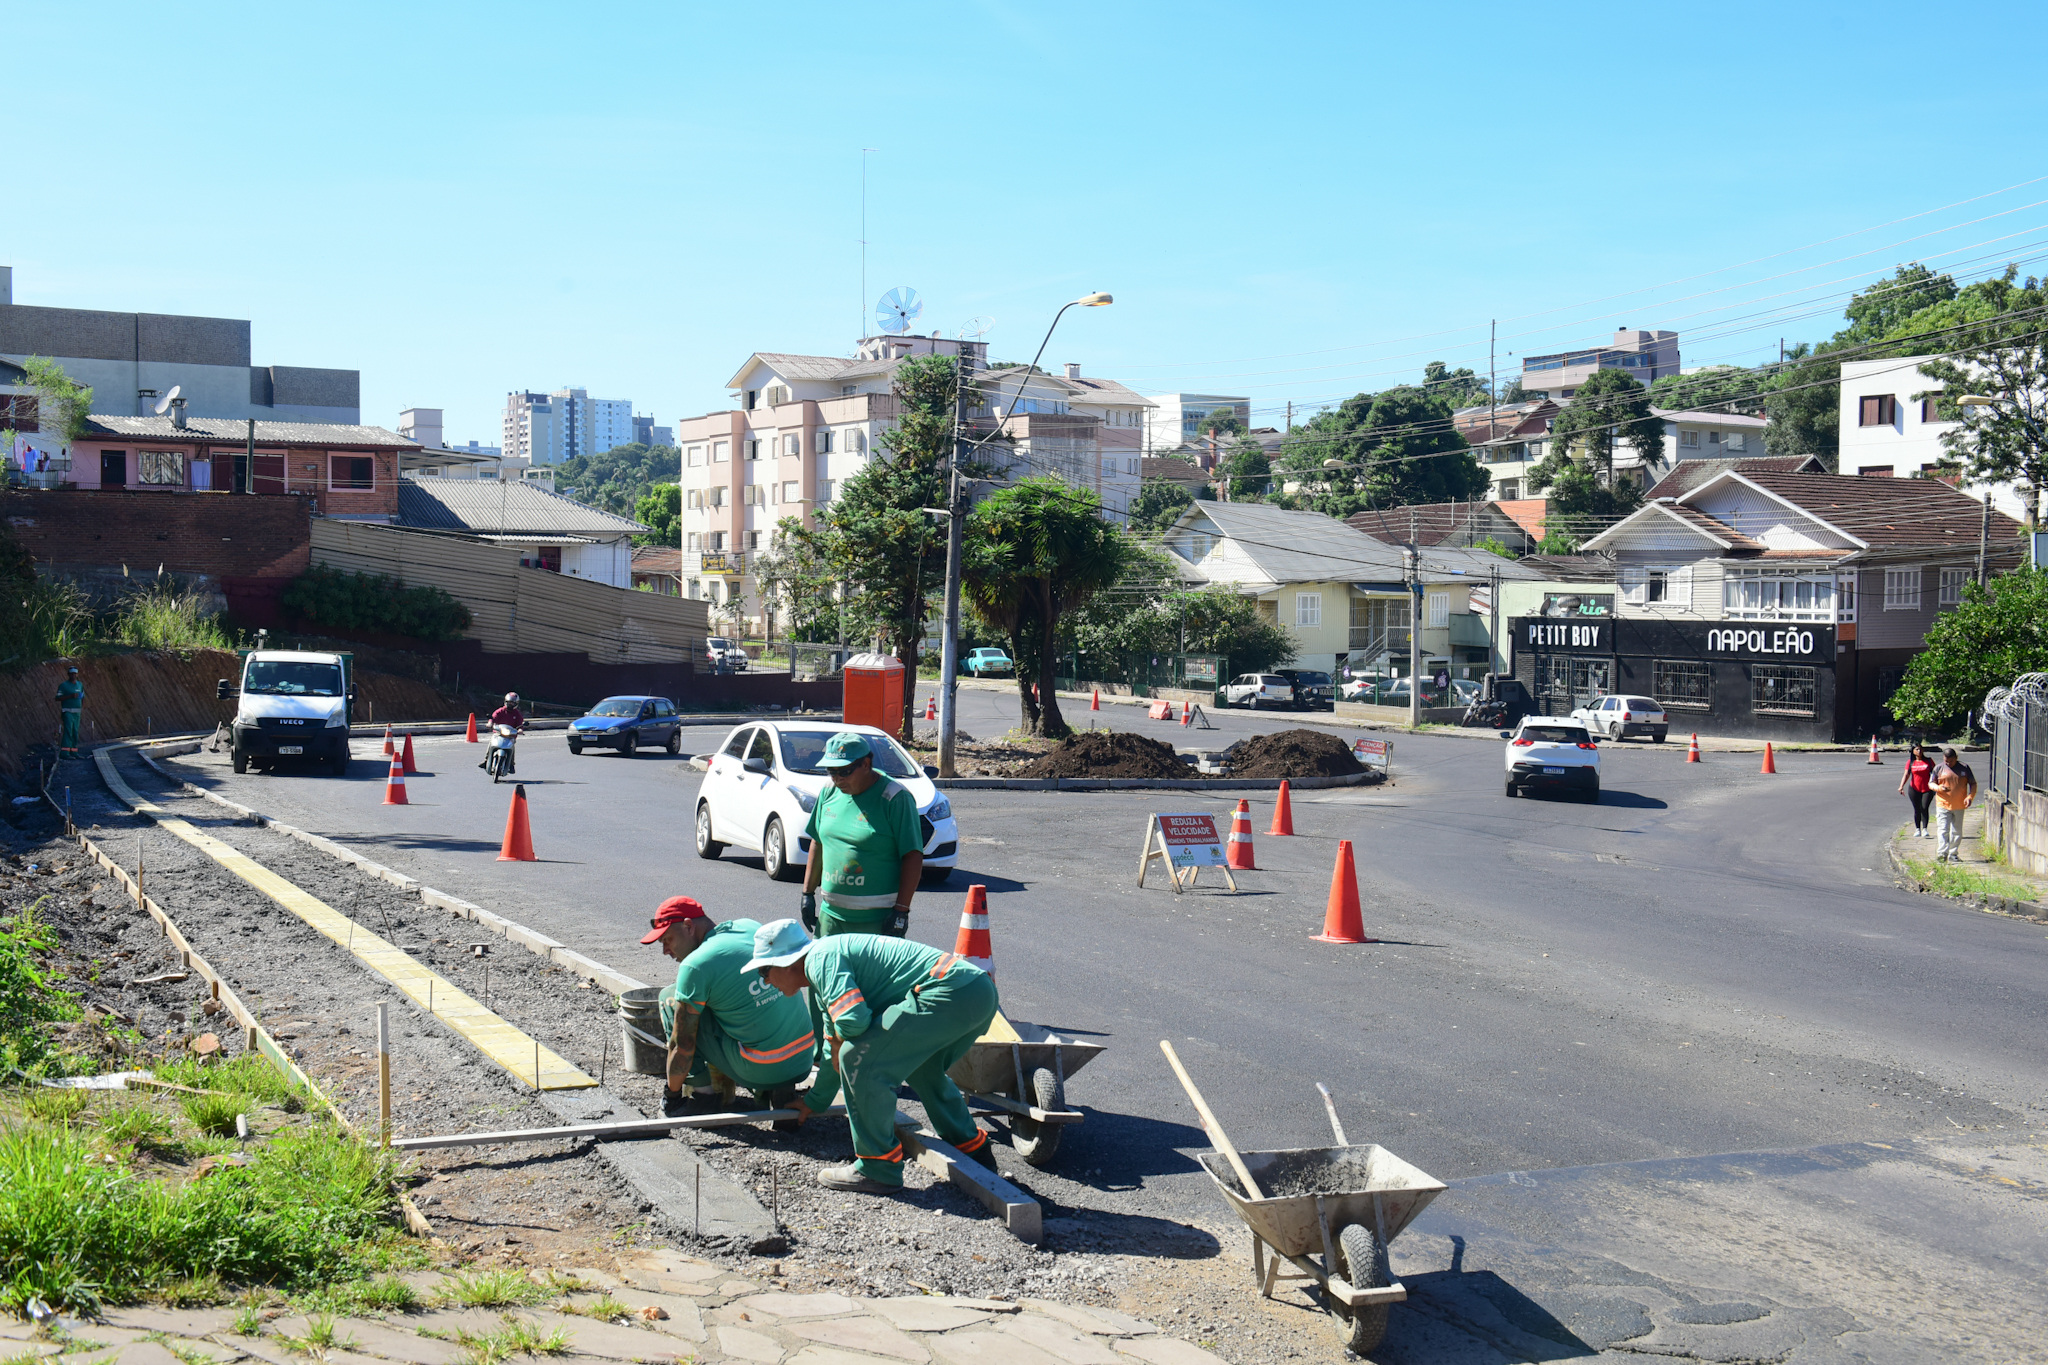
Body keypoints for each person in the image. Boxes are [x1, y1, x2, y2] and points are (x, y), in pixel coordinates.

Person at [745, 919, 997, 1193]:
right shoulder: (821, 971)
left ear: (784, 962)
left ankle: (878, 1168)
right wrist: (814, 1104)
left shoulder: (821, 959)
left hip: (949, 991)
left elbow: (852, 1023)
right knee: (922, 1068)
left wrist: (842, 1044)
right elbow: (833, 1048)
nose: (766, 981)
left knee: (861, 1060)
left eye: (764, 971)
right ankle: (973, 1149)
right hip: (975, 992)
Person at [641, 896, 815, 1121]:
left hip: (763, 1067)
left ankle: (703, 1099)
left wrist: (671, 1096)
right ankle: (772, 1092)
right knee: (737, 1005)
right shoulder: (749, 926)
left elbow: (681, 1045)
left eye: (667, 940)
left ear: (688, 926)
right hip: (802, 1060)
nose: (665, 950)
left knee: (671, 999)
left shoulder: (695, 965)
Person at [798, 732, 923, 938]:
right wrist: (807, 893)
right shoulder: (828, 792)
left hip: (876, 921)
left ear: (866, 764)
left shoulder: (894, 797)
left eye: (844, 771)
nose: (837, 778)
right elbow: (818, 842)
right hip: (831, 917)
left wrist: (901, 911)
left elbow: (913, 856)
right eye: (831, 771)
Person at [1932, 747, 1977, 863]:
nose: (1948, 763)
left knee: (1956, 831)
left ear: (1956, 758)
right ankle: (1942, 854)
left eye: (1950, 761)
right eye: (1946, 761)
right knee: (1943, 829)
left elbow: (1973, 783)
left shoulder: (1964, 768)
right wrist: (1939, 788)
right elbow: (1931, 783)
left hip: (1959, 805)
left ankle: (1953, 853)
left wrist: (1970, 797)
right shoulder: (1939, 768)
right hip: (1943, 804)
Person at [479, 692, 527, 770]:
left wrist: (520, 730)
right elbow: (493, 718)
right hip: (499, 733)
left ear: (516, 704)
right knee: (491, 743)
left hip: (511, 735)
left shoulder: (517, 714)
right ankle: (486, 760)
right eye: (509, 702)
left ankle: (511, 763)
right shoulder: (500, 711)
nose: (510, 704)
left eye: (512, 703)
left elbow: (520, 724)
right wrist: (490, 723)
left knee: (512, 747)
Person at [1898, 743, 1935, 840]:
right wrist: (1901, 786)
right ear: (1913, 751)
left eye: (1920, 749)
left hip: (1927, 789)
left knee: (1924, 807)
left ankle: (1925, 829)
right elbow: (1906, 775)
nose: (1919, 751)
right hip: (1914, 788)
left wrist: (1937, 786)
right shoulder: (1910, 762)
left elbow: (1936, 774)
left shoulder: (1929, 761)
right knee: (1917, 808)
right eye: (1917, 749)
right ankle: (1917, 829)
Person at [55, 666, 83, 759]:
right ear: (68, 674)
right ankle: (65, 753)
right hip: (67, 711)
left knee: (75, 732)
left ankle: (74, 752)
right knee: (68, 731)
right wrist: (70, 696)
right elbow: (57, 698)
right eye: (71, 673)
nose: (73, 675)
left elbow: (82, 697)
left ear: (77, 674)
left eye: (75, 673)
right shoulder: (63, 685)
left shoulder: (80, 684)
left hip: (77, 712)